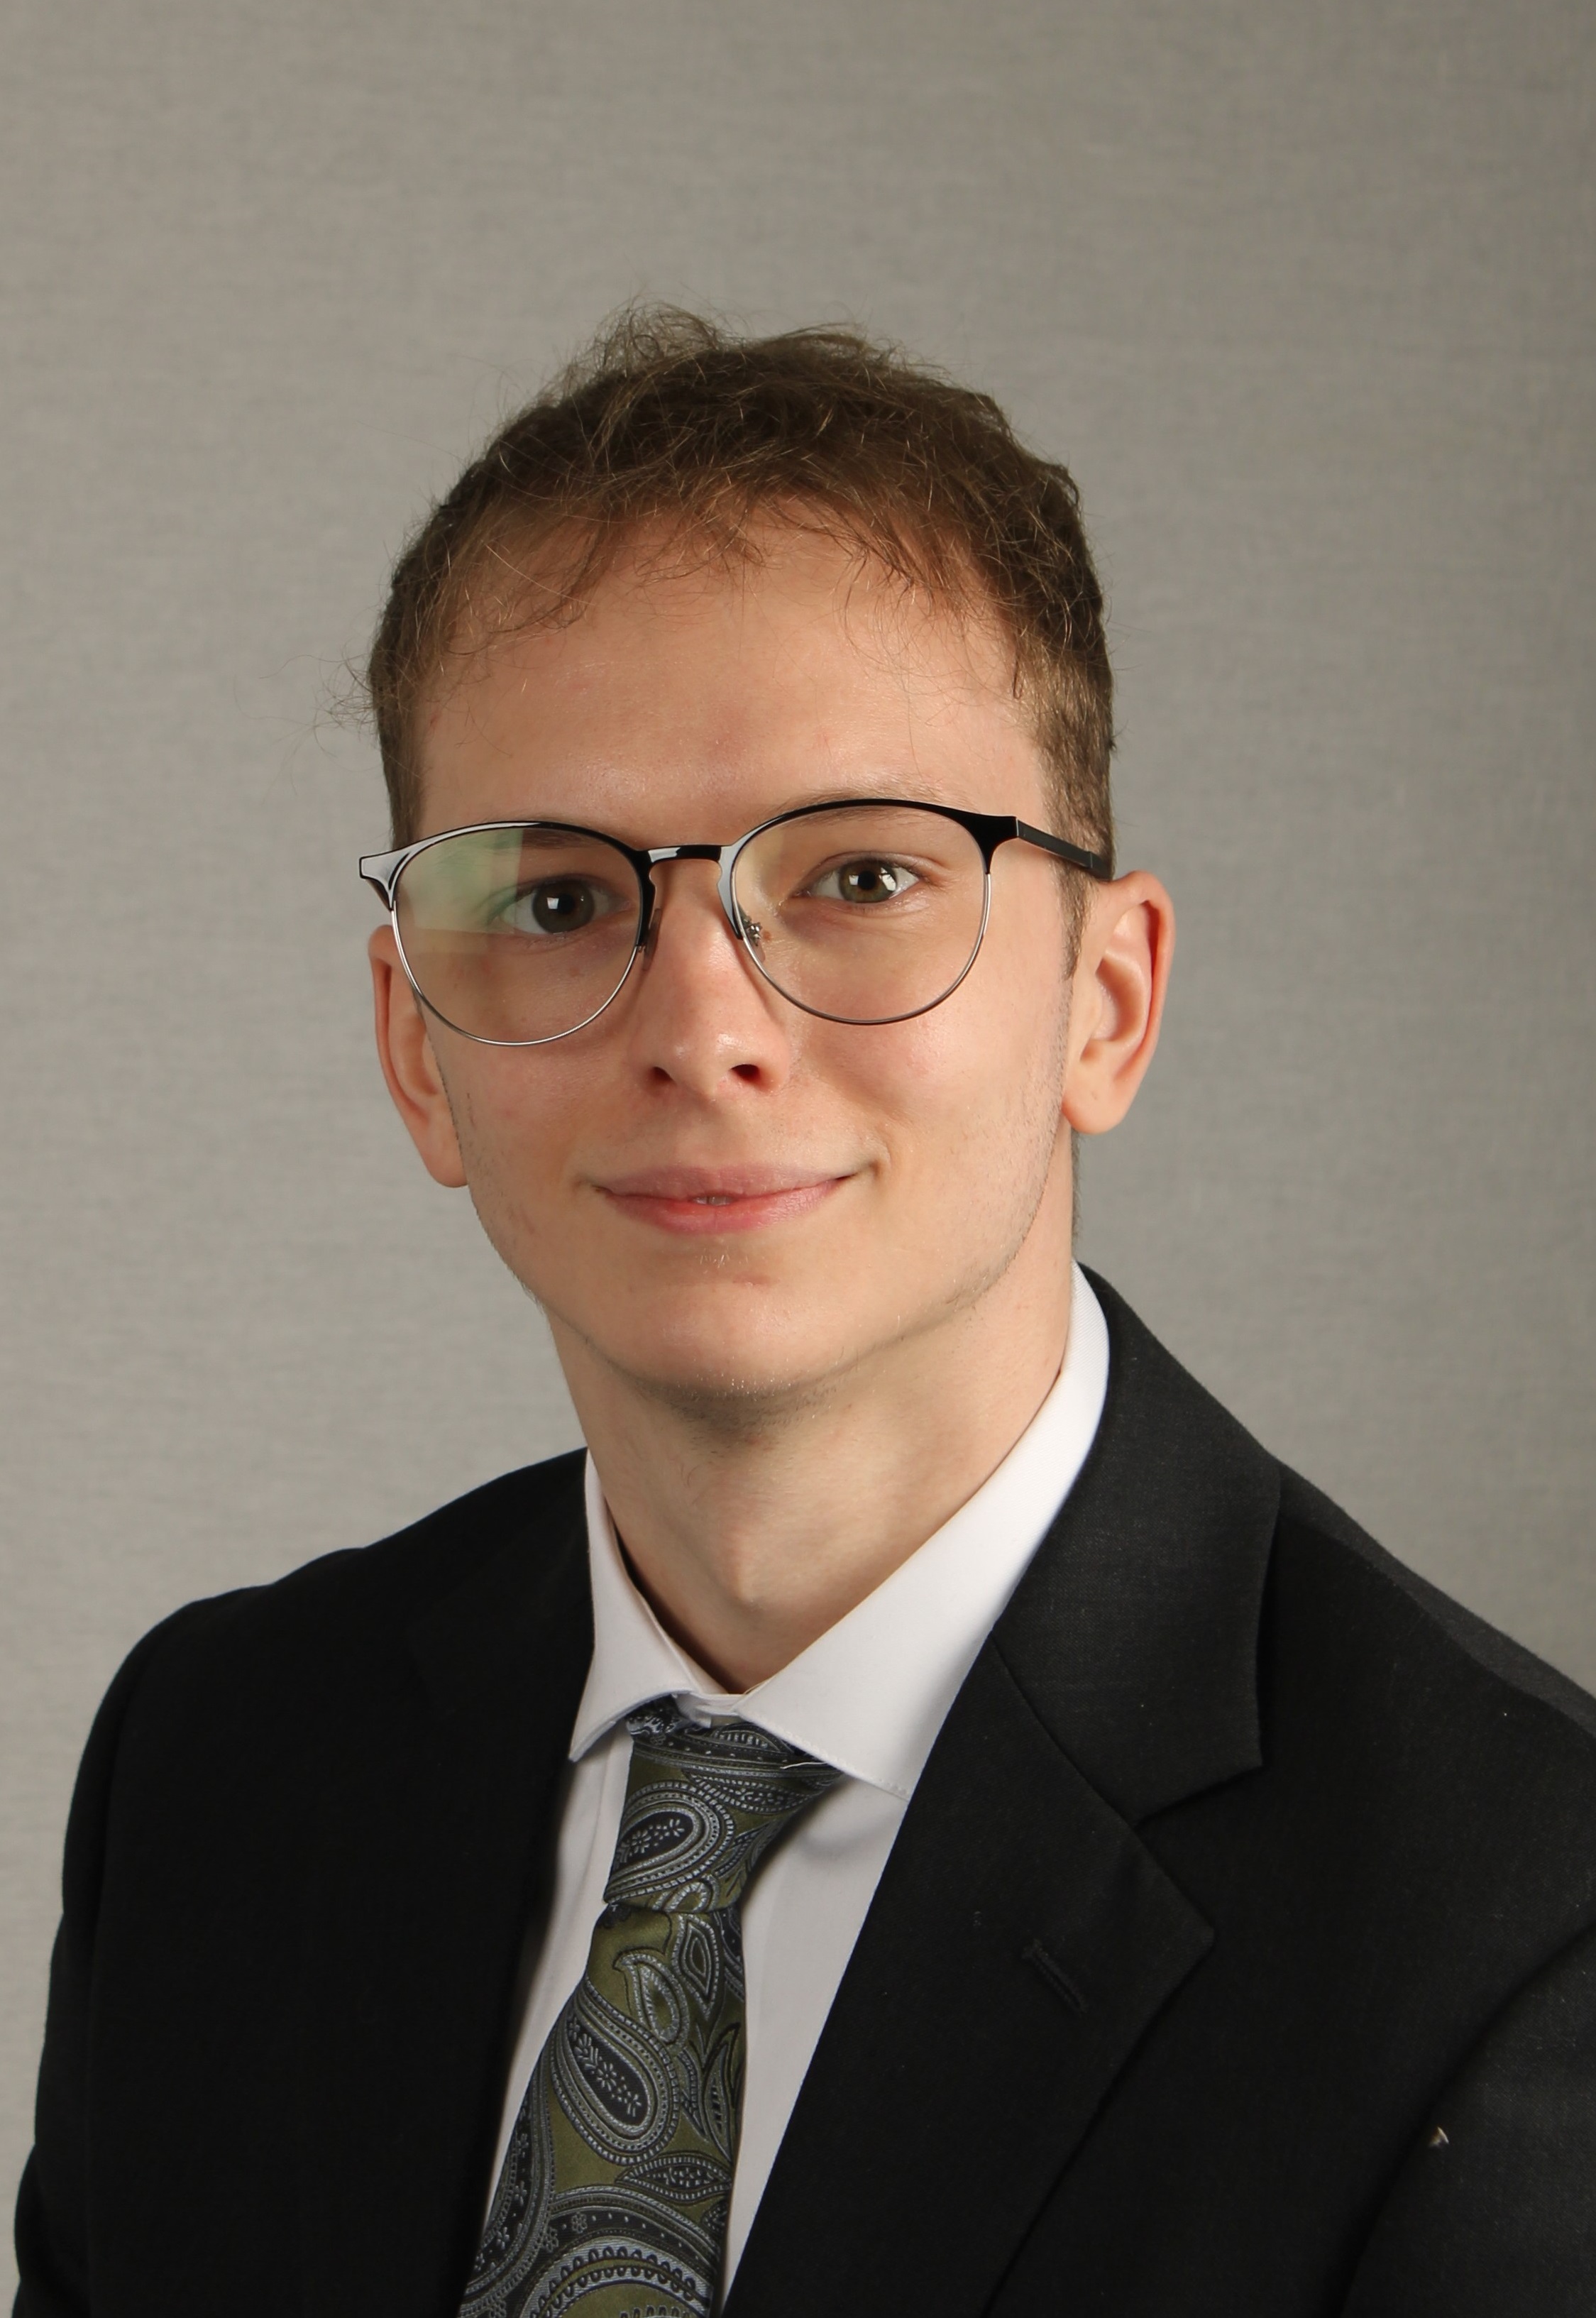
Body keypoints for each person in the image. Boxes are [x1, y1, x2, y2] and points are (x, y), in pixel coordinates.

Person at [15, 309, 1596, 2318]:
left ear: (1104, 1003)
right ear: (417, 1048)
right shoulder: (224, 1767)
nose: (703, 1027)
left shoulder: (1517, 1944)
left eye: (857, 878)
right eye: (560, 899)